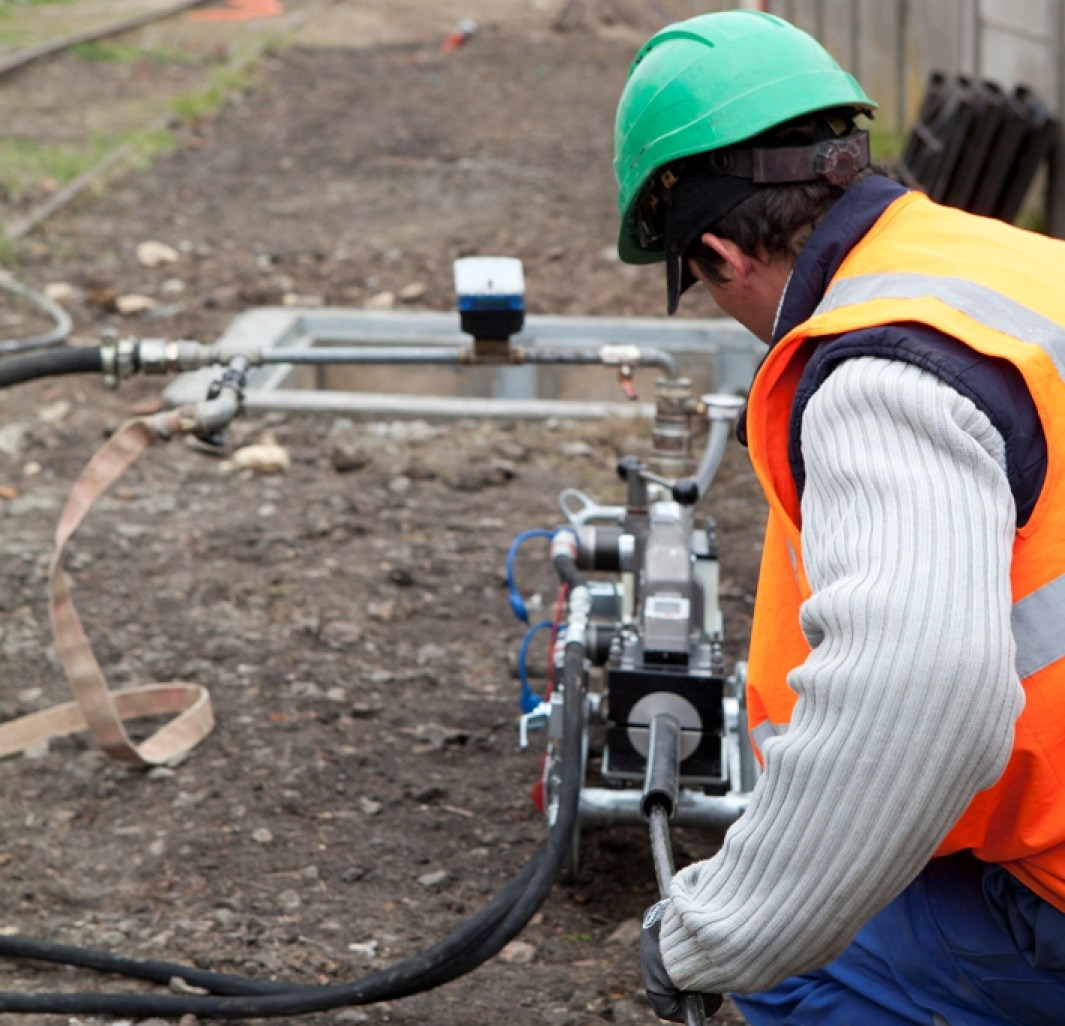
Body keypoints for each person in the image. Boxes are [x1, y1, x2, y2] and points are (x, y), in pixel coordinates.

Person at [614, 9, 1065, 1026]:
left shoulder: (887, 371)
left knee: (793, 961)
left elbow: (922, 698)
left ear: (722, 252)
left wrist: (711, 933)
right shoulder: (1015, 267)